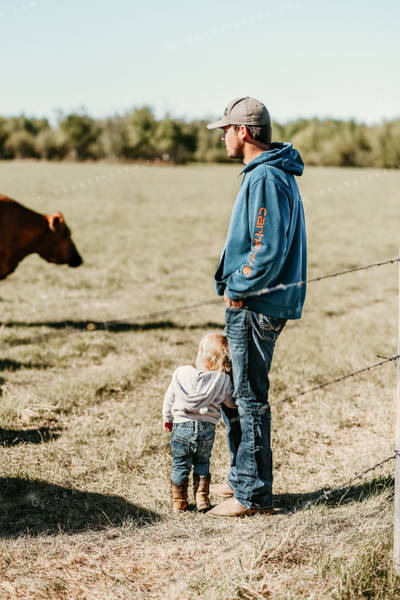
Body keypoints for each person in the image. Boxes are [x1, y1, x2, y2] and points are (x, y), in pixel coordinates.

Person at [206, 96, 307, 517]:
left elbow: (266, 247)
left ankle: (253, 495)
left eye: (226, 130)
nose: (223, 138)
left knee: (248, 397)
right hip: (259, 299)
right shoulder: (269, 172)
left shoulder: (265, 175)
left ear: (243, 132)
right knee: (239, 394)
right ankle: (240, 478)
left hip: (256, 302)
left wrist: (240, 286)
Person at [163, 332, 237, 512]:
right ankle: (202, 498)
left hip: (181, 428)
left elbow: (169, 398)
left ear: (201, 351)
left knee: (180, 464)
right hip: (206, 430)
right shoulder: (223, 380)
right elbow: (231, 404)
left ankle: (179, 501)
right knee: (202, 464)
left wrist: (167, 418)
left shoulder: (181, 373)